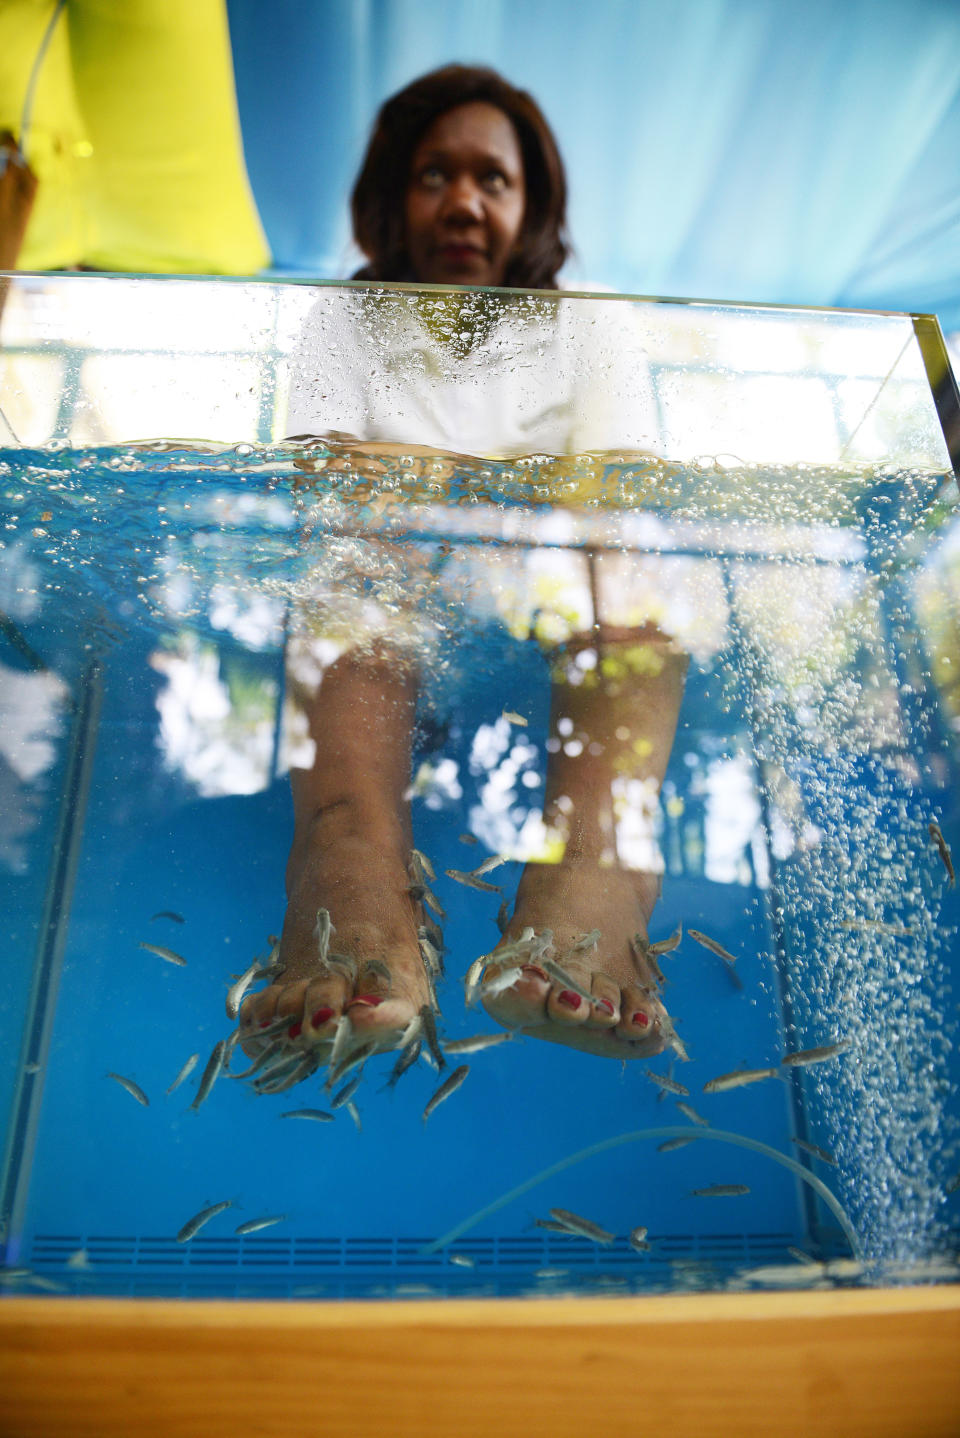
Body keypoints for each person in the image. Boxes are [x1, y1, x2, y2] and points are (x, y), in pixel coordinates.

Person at [239, 65, 688, 1073]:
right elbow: (332, 494)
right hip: (395, 604)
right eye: (435, 173)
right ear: (396, 197)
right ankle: (347, 851)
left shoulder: (590, 326)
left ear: (531, 208)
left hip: (547, 593)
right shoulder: (344, 321)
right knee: (355, 577)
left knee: (632, 577)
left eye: (494, 179)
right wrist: (471, 502)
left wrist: (433, 492)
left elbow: (614, 501)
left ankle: (598, 866)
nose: (464, 200)